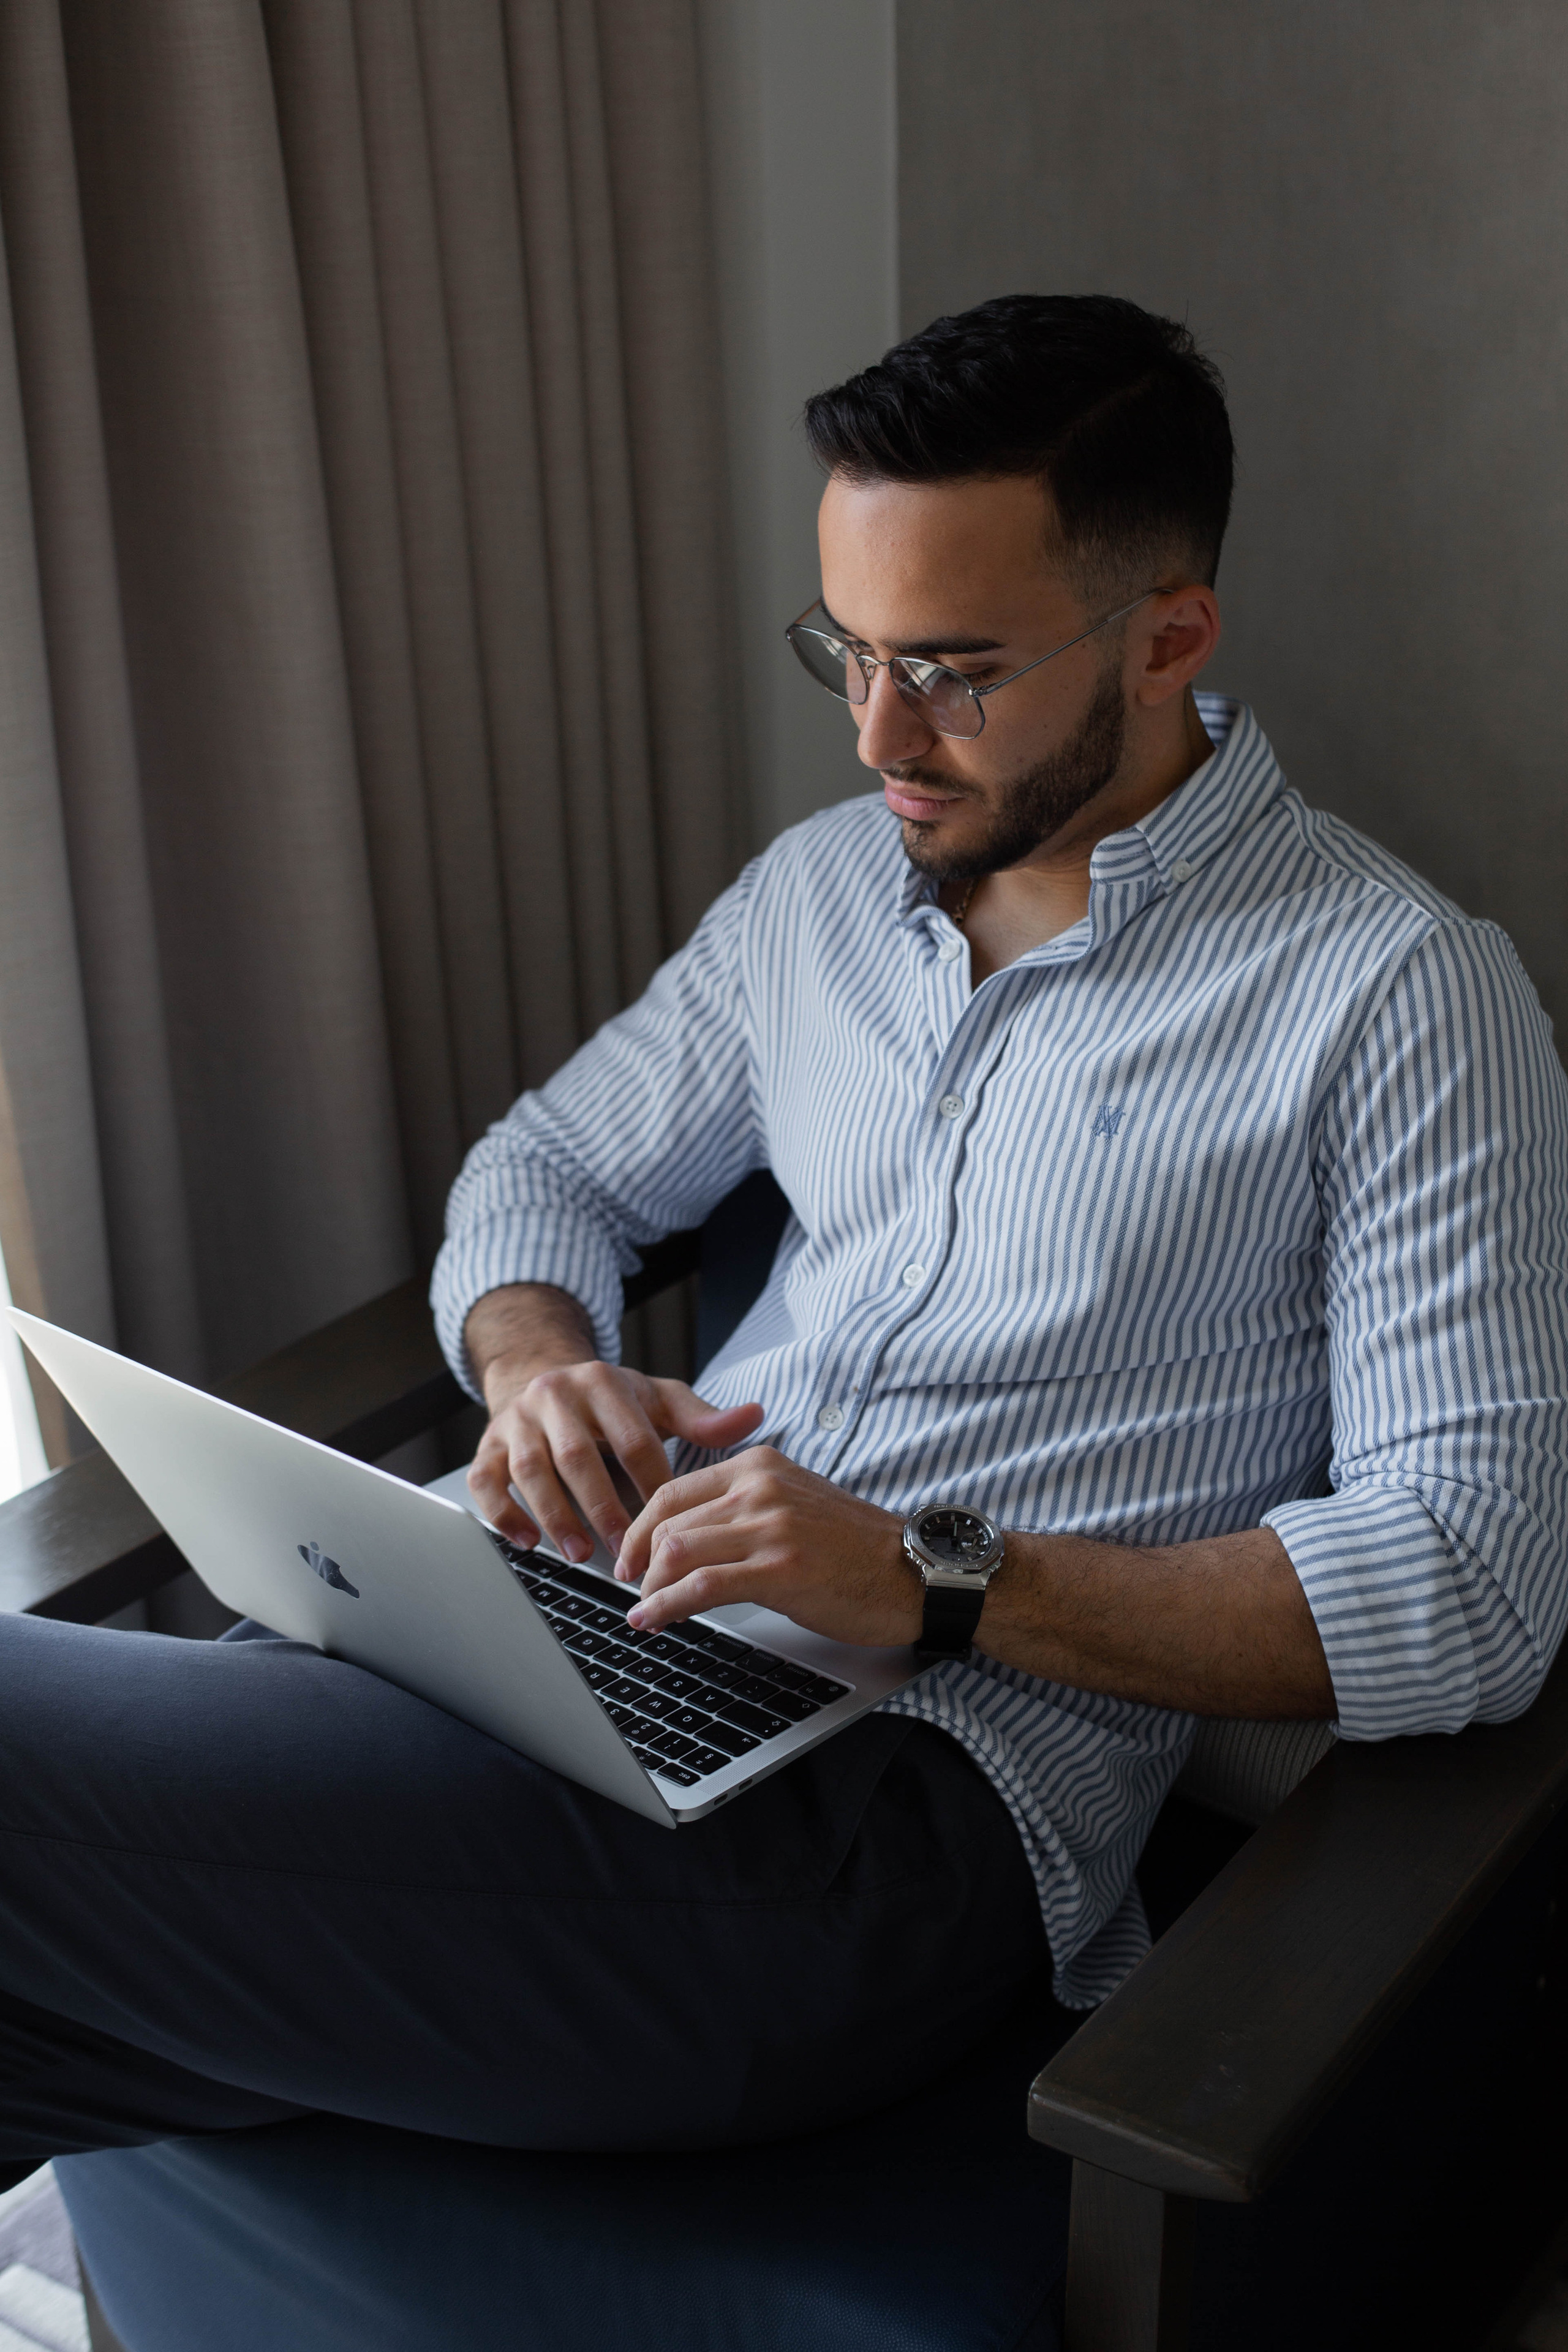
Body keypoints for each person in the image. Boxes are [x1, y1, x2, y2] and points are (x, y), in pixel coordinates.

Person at [2, 295, 1566, 2174]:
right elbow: (541, 1176)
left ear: (1170, 638)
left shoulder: (1398, 997)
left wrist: (940, 1575)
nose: (880, 734)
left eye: (958, 671)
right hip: (557, 1655)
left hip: (880, 1829)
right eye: (851, 647)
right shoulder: (826, 892)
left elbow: (1473, 1586)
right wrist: (545, 1368)